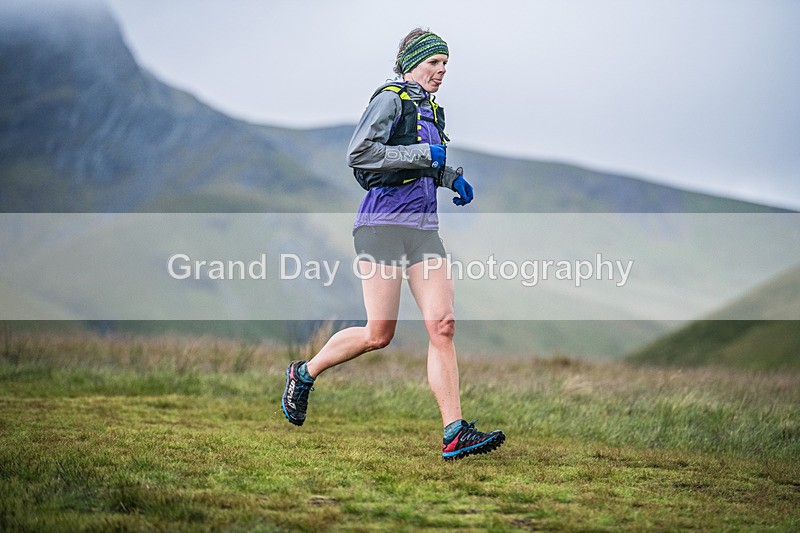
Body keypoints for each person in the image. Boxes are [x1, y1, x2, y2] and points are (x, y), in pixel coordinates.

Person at [281, 28, 505, 461]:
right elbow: (360, 155)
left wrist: (449, 177)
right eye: (435, 63)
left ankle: (454, 432)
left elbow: (424, 161)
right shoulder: (389, 100)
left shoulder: (433, 113)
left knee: (443, 325)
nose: (442, 72)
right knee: (378, 333)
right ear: (413, 63)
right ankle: (303, 373)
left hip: (423, 231)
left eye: (446, 65)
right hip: (380, 226)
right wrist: (425, 158)